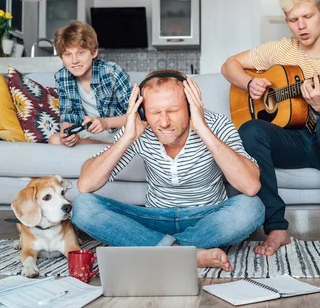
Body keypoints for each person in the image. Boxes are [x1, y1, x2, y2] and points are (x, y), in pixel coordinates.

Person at [221, 0, 320, 259]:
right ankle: (276, 227)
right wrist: (250, 82)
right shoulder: (279, 51)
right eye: (293, 20)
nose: (301, 26)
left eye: (307, 17)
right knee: (250, 128)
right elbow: (228, 65)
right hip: (296, 141)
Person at [71, 70, 264, 271]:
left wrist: (203, 130)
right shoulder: (139, 130)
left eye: (173, 110)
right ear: (144, 112)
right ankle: (183, 253)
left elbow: (250, 185)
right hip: (154, 219)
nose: (163, 122)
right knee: (82, 206)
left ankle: (157, 249)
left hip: (206, 219)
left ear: (190, 107)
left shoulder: (216, 124)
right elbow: (86, 184)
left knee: (252, 207)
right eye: (154, 112)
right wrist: (127, 137)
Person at [49, 21, 132, 147]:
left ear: (93, 52)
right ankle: (111, 148)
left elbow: (137, 115)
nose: (75, 61)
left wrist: (105, 123)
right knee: (55, 140)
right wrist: (67, 132)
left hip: (120, 130)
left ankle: (114, 147)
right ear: (61, 57)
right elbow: (68, 118)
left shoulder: (111, 72)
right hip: (91, 134)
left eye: (80, 53)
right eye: (68, 54)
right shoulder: (62, 77)